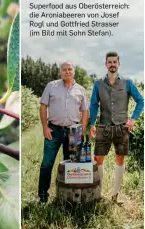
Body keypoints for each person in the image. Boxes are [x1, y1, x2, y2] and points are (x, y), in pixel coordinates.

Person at [89, 51, 144, 202]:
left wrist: (132, 120)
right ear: (105, 64)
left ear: (119, 64)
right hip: (103, 127)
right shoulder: (98, 84)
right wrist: (92, 124)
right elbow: (93, 105)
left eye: (115, 62)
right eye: (109, 62)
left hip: (122, 128)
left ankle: (115, 194)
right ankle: (99, 193)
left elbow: (141, 101)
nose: (112, 64)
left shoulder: (128, 83)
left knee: (120, 158)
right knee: (98, 158)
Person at [38, 61, 89, 203]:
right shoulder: (51, 86)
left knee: (72, 164)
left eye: (69, 69)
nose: (67, 72)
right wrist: (44, 127)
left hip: (74, 131)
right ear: (60, 72)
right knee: (47, 163)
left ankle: (68, 196)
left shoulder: (81, 90)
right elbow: (43, 106)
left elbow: (85, 111)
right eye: (64, 69)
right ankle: (43, 196)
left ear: (74, 71)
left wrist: (82, 129)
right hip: (54, 130)